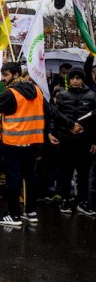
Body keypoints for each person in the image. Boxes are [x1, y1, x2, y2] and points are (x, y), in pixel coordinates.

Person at [0, 62, 80, 226]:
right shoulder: (38, 91)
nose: (2, 79)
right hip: (33, 143)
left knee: (13, 178)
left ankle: (14, 215)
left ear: (14, 74)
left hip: (13, 143)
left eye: (5, 75)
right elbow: (54, 112)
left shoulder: (9, 94)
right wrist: (72, 124)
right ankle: (31, 212)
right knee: (30, 177)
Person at [51, 67, 96, 216]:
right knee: (65, 172)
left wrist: (95, 141)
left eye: (78, 78)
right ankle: (65, 200)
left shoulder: (92, 95)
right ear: (69, 80)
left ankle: (83, 202)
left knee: (84, 173)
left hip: (85, 141)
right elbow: (56, 116)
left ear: (82, 79)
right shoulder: (63, 95)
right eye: (72, 78)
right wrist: (51, 133)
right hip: (66, 140)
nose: (75, 81)